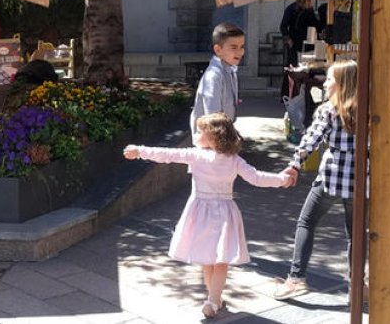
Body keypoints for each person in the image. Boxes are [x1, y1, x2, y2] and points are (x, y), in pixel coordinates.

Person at [123, 113, 292, 318]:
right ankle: (213, 300)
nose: (196, 134)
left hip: (200, 211)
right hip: (225, 213)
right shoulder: (234, 160)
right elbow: (257, 178)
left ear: (213, 137)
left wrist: (139, 151)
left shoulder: (196, 155)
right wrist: (281, 179)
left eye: (200, 131)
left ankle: (213, 300)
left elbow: (166, 154)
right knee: (221, 260)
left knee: (207, 258)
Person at [274, 59, 360, 300]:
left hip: (331, 180)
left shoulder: (329, 110)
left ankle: (296, 278)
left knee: (306, 222)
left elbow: (310, 141)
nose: (325, 82)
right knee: (356, 235)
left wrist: (294, 165)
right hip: (360, 183)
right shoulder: (369, 110)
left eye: (330, 79)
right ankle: (357, 285)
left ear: (342, 84)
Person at [190, 22, 244, 134]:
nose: (240, 52)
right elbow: (212, 117)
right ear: (218, 50)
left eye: (242, 47)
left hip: (223, 132)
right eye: (234, 47)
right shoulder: (213, 76)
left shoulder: (231, 69)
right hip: (210, 137)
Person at [279, 0, 319, 66]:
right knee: (294, 64)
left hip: (307, 43)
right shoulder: (291, 9)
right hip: (295, 42)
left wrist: (310, 11)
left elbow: (314, 24)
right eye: (307, 2)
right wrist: (288, 38)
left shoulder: (309, 10)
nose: (309, 3)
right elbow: (283, 26)